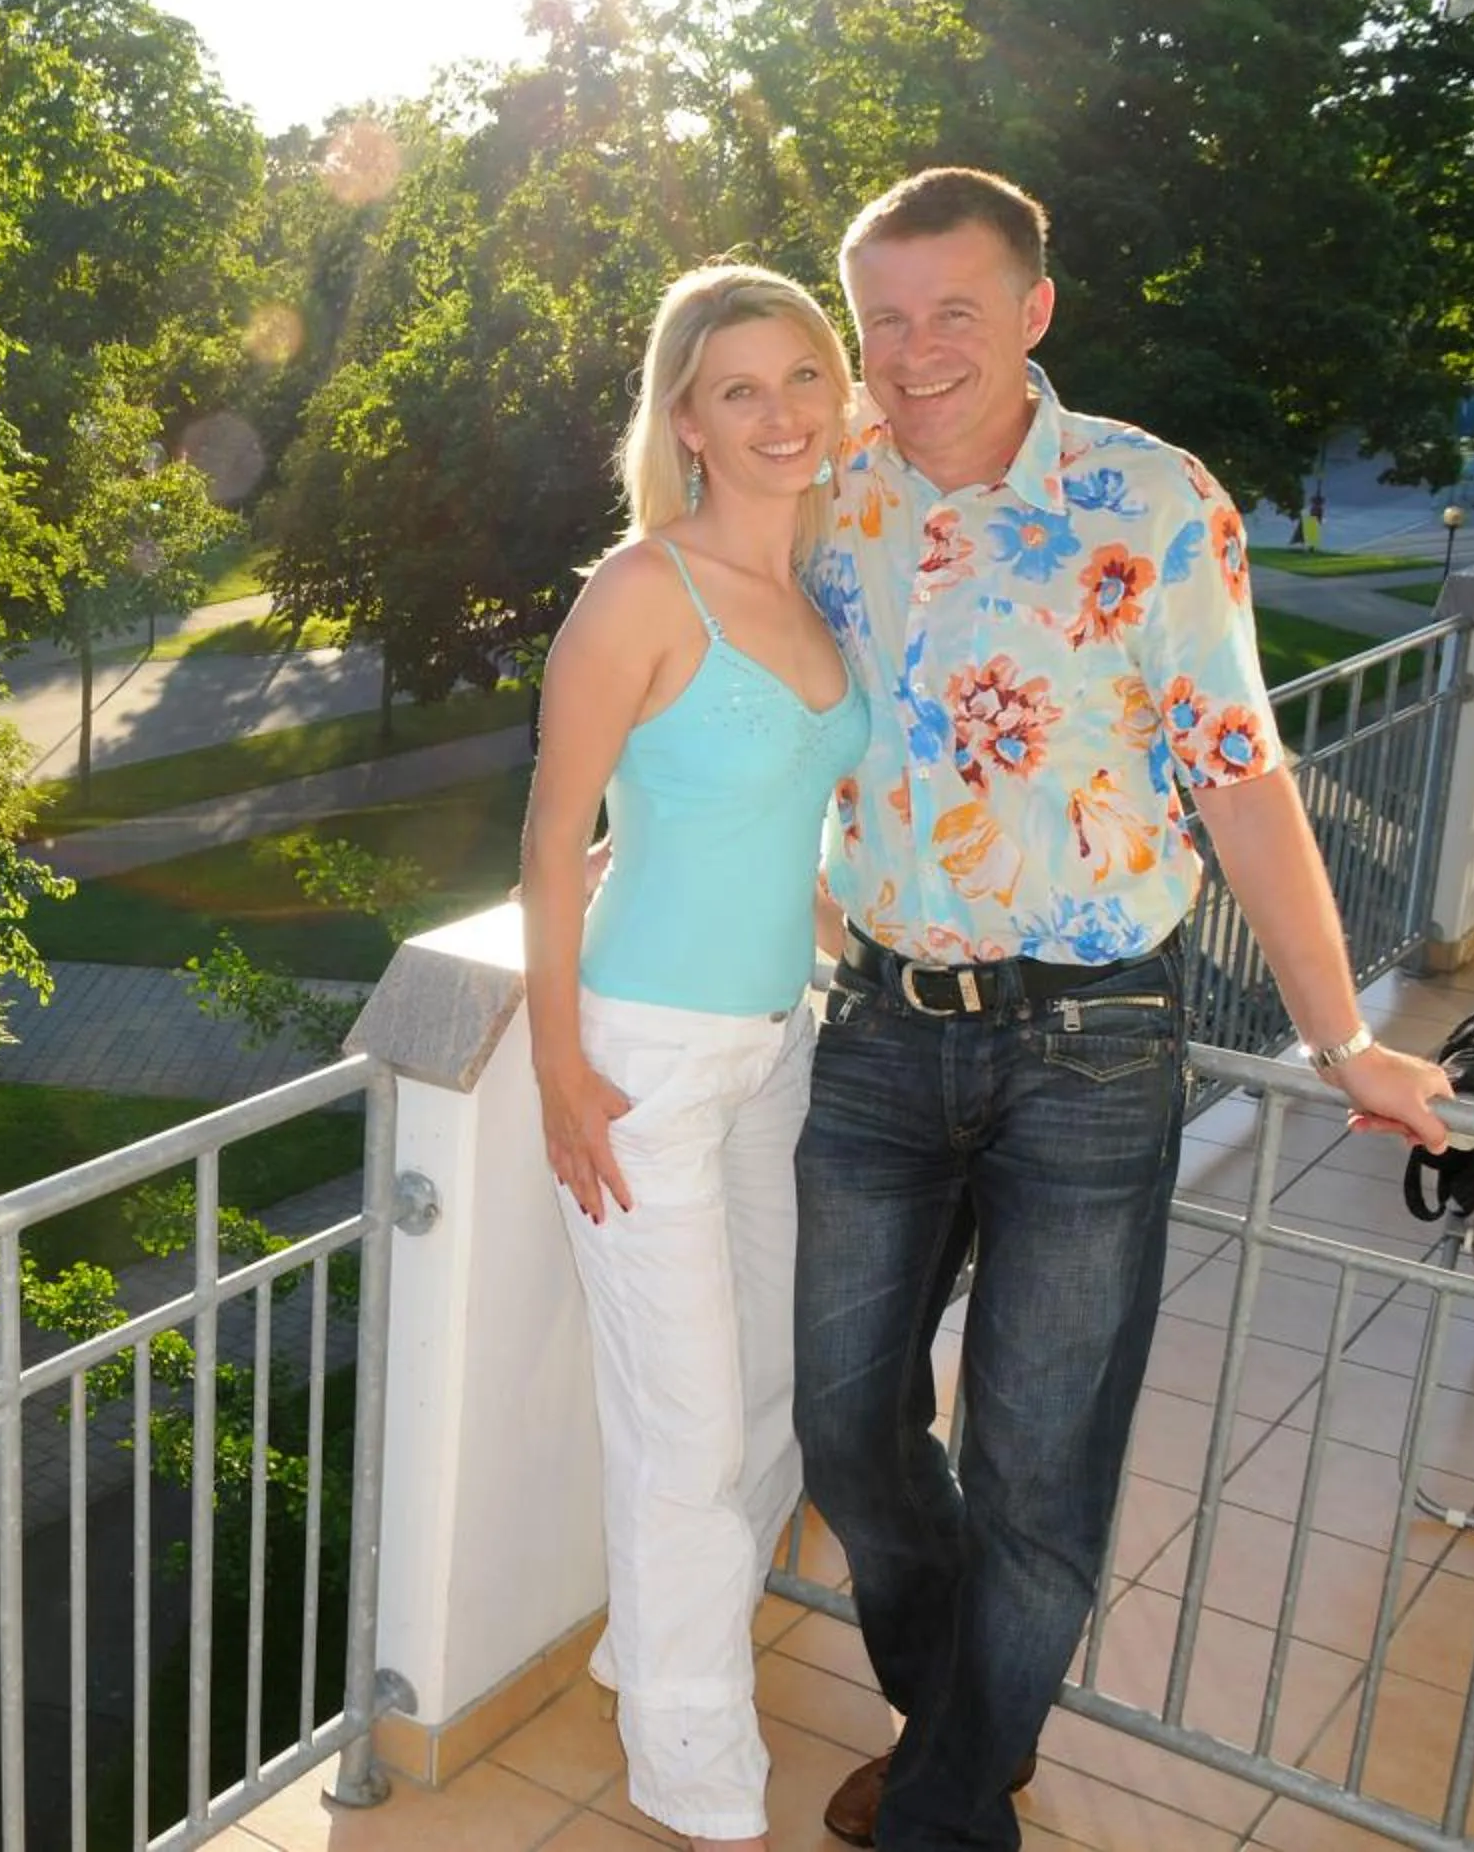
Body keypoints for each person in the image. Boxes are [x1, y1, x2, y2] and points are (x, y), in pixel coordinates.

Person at [792, 167, 1456, 1851]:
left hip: (1093, 1044)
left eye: (956, 309)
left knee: (1039, 1466)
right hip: (876, 1033)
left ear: (1033, 311)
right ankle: (962, 1727)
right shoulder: (830, 504)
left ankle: (949, 1804)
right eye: (884, 316)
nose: (916, 348)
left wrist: (1340, 1038)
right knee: (846, 1424)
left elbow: (1241, 780)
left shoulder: (1153, 501)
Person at [522, 263, 870, 1852]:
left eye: (804, 376)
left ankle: (644, 1656)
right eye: (742, 388)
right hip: (642, 1057)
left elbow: (766, 810)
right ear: (689, 420)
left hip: (771, 1046)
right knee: (681, 1431)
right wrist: (557, 1071)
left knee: (765, 1399)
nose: (782, 412)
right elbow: (551, 835)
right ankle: (699, 1779)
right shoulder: (637, 591)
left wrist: (839, 935)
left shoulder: (816, 596)